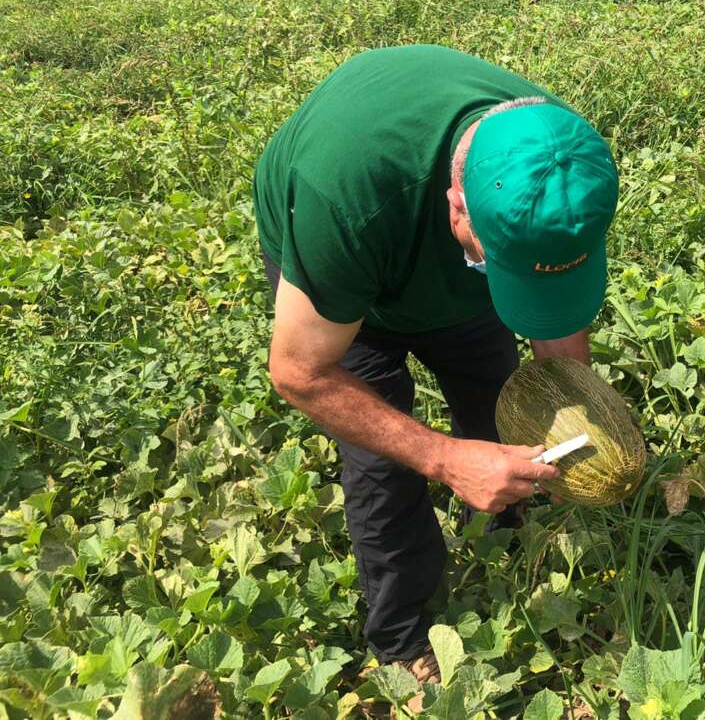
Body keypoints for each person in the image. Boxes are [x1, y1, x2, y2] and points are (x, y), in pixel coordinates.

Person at [252, 44, 619, 692]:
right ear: (457, 208)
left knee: (495, 390)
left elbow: (557, 326)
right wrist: (447, 458)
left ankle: (509, 539)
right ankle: (400, 637)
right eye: (506, 268)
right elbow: (300, 371)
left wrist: (577, 415)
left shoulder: (556, 162)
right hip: (346, 259)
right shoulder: (343, 196)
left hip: (447, 243)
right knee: (386, 460)